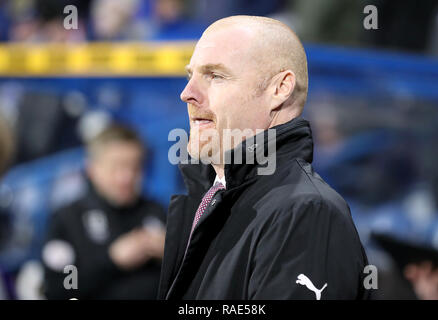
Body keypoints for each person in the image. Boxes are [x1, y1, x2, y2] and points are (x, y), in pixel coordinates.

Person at [158, 15, 370, 300]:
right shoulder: (214, 199)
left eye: (215, 76)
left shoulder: (306, 211)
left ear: (279, 89)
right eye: (190, 76)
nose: (188, 94)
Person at [42, 124, 166, 299]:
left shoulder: (157, 211)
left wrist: (173, 255)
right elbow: (58, 290)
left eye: (135, 167)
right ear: (92, 168)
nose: (126, 177)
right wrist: (112, 261)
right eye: (116, 167)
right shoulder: (68, 219)